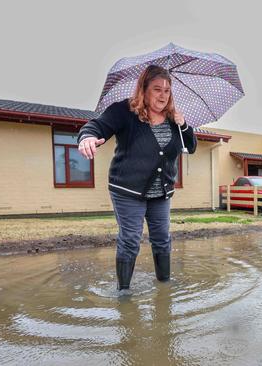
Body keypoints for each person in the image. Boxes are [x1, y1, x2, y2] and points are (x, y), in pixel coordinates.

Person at [77, 65, 197, 291]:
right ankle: (124, 292)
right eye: (157, 89)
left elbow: (190, 147)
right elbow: (96, 126)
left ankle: (164, 285)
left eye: (167, 90)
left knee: (162, 238)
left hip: (161, 192)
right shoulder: (125, 111)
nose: (163, 95)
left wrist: (184, 125)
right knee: (131, 239)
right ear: (144, 89)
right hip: (127, 190)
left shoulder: (173, 119)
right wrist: (87, 138)